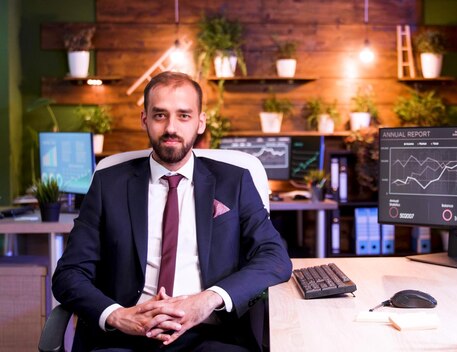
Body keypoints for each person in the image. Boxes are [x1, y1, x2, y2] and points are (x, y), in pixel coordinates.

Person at [52, 71, 292, 351]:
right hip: (123, 336)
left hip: (209, 334)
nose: (171, 128)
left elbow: (275, 258)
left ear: (200, 122)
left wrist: (207, 300)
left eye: (184, 116)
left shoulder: (234, 182)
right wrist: (117, 315)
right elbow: (68, 273)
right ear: (145, 119)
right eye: (160, 115)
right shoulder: (109, 185)